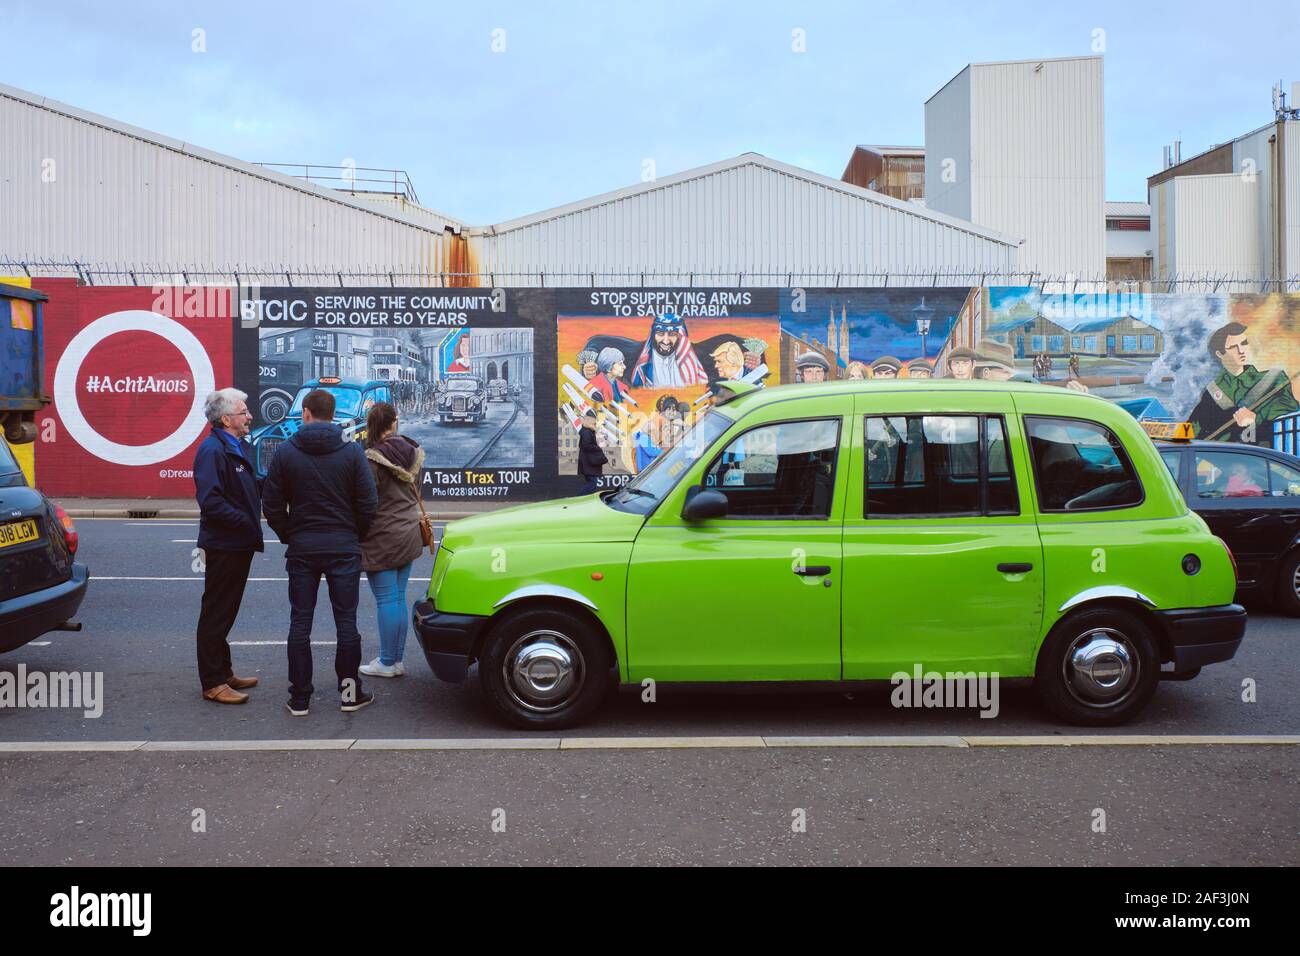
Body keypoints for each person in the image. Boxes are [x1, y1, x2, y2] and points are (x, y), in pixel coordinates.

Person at [262, 388, 379, 717]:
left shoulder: (286, 452)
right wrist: (354, 534)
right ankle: (348, 694)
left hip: (302, 548)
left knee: (300, 623)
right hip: (343, 548)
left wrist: (290, 534)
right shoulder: (352, 452)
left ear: (306, 413)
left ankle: (300, 698)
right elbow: (368, 504)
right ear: (331, 415)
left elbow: (271, 504)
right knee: (346, 623)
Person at [192, 388, 263, 705]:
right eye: (243, 412)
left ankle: (224, 672)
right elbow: (211, 502)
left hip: (237, 542)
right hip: (224, 544)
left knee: (226, 610)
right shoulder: (212, 451)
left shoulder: (236, 447)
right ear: (226, 419)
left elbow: (250, 485)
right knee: (216, 612)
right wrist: (244, 521)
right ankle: (212, 682)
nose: (249, 416)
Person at [358, 402, 425, 678]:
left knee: (386, 600)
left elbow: (365, 501)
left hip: (382, 535)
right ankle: (395, 660)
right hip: (409, 532)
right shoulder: (414, 451)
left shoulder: (371, 457)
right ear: (394, 422)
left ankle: (387, 662)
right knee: (398, 598)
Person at [1189, 321, 1299, 446]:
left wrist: (1255, 419)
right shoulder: (1213, 391)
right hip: (1224, 459)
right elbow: (1194, 429)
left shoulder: (1274, 379)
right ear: (1219, 354)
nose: (1241, 350)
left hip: (1264, 455)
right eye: (1233, 347)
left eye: (1244, 343)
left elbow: (1290, 414)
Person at [578, 409, 608, 494]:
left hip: (587, 463)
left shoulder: (586, 431)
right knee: (592, 483)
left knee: (591, 483)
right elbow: (586, 445)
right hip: (588, 463)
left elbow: (585, 445)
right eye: (594, 421)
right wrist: (597, 448)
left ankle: (584, 500)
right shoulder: (587, 432)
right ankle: (579, 499)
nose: (595, 422)